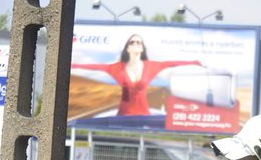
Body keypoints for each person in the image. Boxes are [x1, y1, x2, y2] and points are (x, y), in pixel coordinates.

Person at [72, 34, 202, 117]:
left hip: (144, 114)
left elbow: (172, 63)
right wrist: (74, 66)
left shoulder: (151, 66)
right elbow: (96, 66)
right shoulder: (117, 68)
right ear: (127, 48)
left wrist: (195, 62)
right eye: (132, 42)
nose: (135, 44)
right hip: (123, 114)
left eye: (138, 42)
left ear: (143, 48)